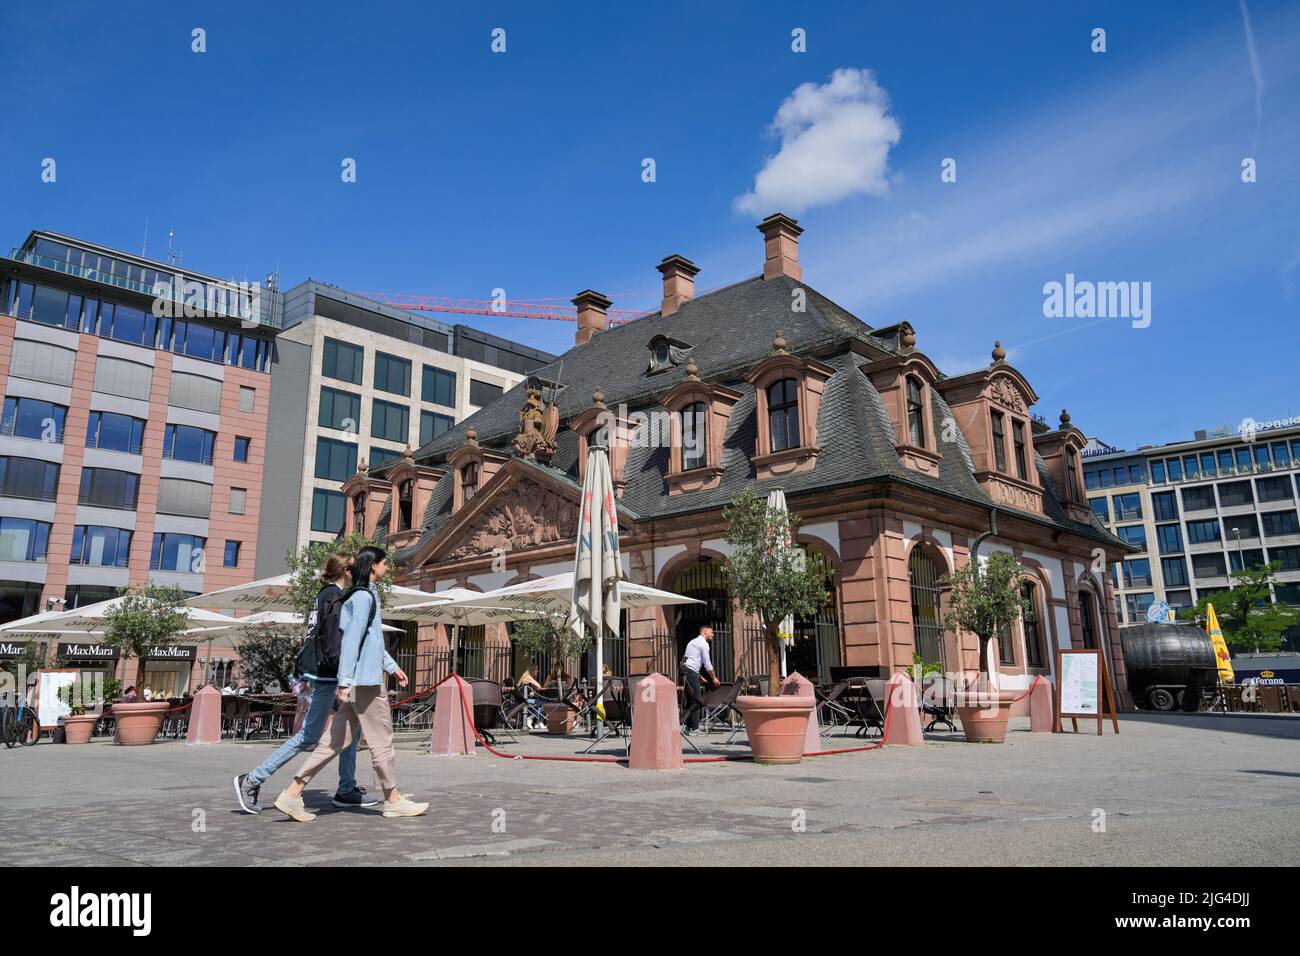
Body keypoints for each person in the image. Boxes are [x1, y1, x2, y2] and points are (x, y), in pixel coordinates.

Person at [274, 546, 427, 822]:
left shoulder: (361, 596)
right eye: (384, 564)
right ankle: (392, 799)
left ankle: (292, 792)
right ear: (372, 567)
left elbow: (371, 642)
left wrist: (392, 667)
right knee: (382, 740)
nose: (387, 568)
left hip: (360, 679)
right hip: (365, 683)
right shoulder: (363, 598)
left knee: (333, 742)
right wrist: (345, 680)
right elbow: (351, 641)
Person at [234, 554, 373, 815]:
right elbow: (332, 639)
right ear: (346, 570)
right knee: (309, 736)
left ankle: (347, 788)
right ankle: (252, 779)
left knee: (351, 731)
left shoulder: (324, 594)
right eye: (354, 568)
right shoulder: (334, 595)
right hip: (329, 674)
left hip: (325, 672)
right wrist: (345, 673)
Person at [680, 626, 720, 734]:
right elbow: (707, 664)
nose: (713, 634)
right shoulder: (703, 644)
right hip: (689, 673)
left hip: (686, 671)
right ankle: (686, 724)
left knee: (691, 700)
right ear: (705, 632)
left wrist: (699, 675)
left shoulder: (693, 642)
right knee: (698, 701)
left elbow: (690, 659)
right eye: (711, 632)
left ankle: (690, 727)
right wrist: (714, 678)